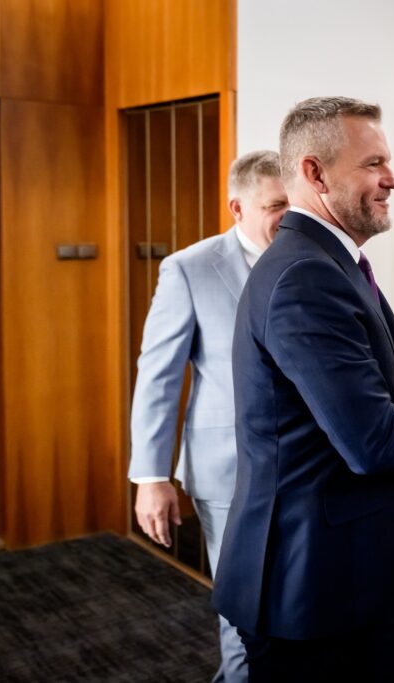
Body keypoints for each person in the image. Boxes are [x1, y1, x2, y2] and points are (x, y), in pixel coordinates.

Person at [211, 96, 394, 683]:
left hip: (343, 578)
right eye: (373, 163)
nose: (393, 179)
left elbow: (355, 405)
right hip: (313, 590)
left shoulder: (326, 262)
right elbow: (369, 439)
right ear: (315, 173)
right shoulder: (306, 274)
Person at [128, 150, 289, 683]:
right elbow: (158, 376)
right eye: (275, 205)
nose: (288, 216)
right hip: (227, 472)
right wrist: (151, 477)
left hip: (306, 469)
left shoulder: (312, 260)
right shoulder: (189, 268)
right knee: (244, 616)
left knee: (292, 614)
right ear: (237, 207)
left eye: (293, 203)